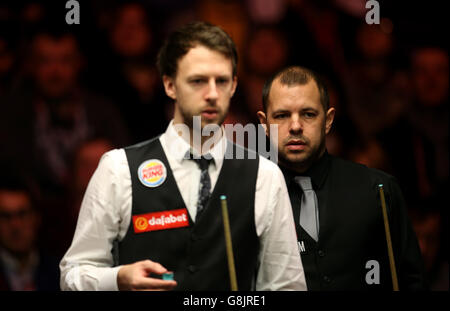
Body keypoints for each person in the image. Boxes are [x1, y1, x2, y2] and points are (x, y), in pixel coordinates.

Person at [60, 22, 306, 291]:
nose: (212, 94)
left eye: (222, 81)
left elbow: (287, 286)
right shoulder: (118, 169)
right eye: (198, 80)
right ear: (170, 85)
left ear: (234, 85)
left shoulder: (264, 175)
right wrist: (117, 279)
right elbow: (72, 274)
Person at [257, 66, 426, 290]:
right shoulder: (248, 197)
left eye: (308, 114)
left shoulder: (378, 190)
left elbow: (411, 282)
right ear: (264, 124)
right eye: (282, 115)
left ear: (328, 120)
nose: (295, 126)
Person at [0, 176, 60, 291]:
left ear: (36, 218)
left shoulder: (60, 274)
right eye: (5, 216)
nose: (15, 225)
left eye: (22, 214)